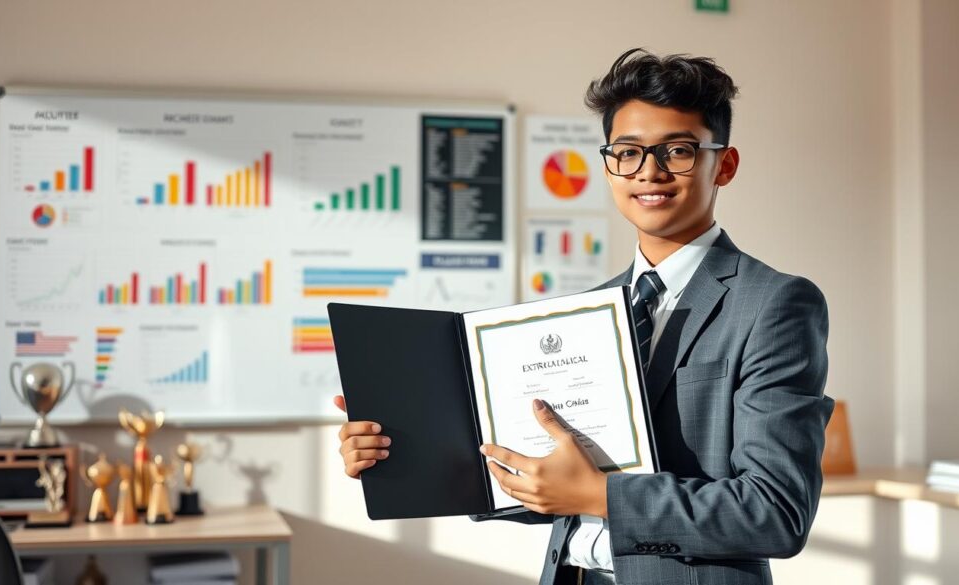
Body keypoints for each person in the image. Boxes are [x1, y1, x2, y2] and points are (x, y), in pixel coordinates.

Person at [334, 48, 834, 585]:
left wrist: (601, 495)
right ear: (608, 164)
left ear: (724, 165)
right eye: (628, 152)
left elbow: (776, 512)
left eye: (678, 151)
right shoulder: (587, 309)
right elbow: (554, 483)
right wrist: (403, 453)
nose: (650, 172)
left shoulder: (773, 304)